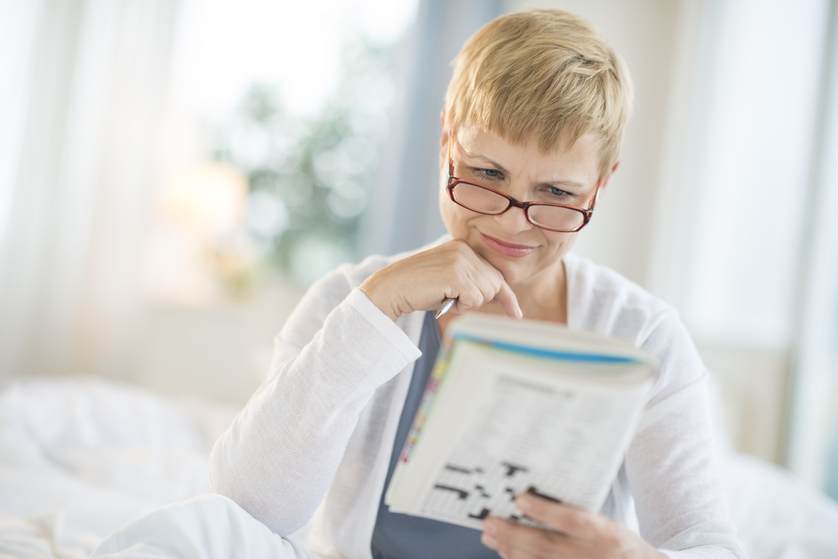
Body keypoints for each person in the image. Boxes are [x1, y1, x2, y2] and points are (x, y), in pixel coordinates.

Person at [94, 8, 744, 559]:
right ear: (445, 143)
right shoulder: (348, 297)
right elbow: (245, 504)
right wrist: (373, 311)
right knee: (197, 528)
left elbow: (707, 539)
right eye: (486, 174)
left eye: (556, 193)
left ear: (601, 185)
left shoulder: (644, 335)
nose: (512, 223)